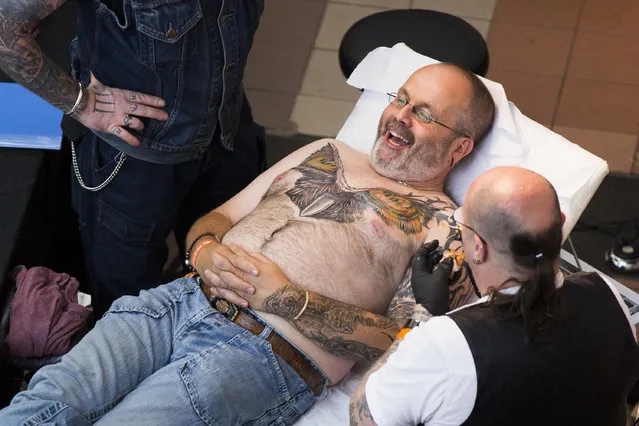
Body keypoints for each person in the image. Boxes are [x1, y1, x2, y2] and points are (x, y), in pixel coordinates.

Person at [0, 63, 495, 425]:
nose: (400, 115)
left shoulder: (444, 226)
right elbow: (220, 217)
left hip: (259, 357)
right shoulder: (327, 150)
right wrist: (204, 250)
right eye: (400, 97)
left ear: (460, 148)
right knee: (39, 408)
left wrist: (287, 300)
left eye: (424, 113)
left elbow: (402, 346)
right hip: (174, 304)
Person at [0, 0, 267, 316]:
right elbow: (6, 27)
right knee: (131, 305)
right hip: (133, 162)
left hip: (228, 132)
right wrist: (80, 104)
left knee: (230, 282)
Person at [350, 166, 639, 426]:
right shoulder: (607, 295)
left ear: (478, 247)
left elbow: (362, 418)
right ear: (560, 223)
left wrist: (423, 314)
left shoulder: (444, 344)